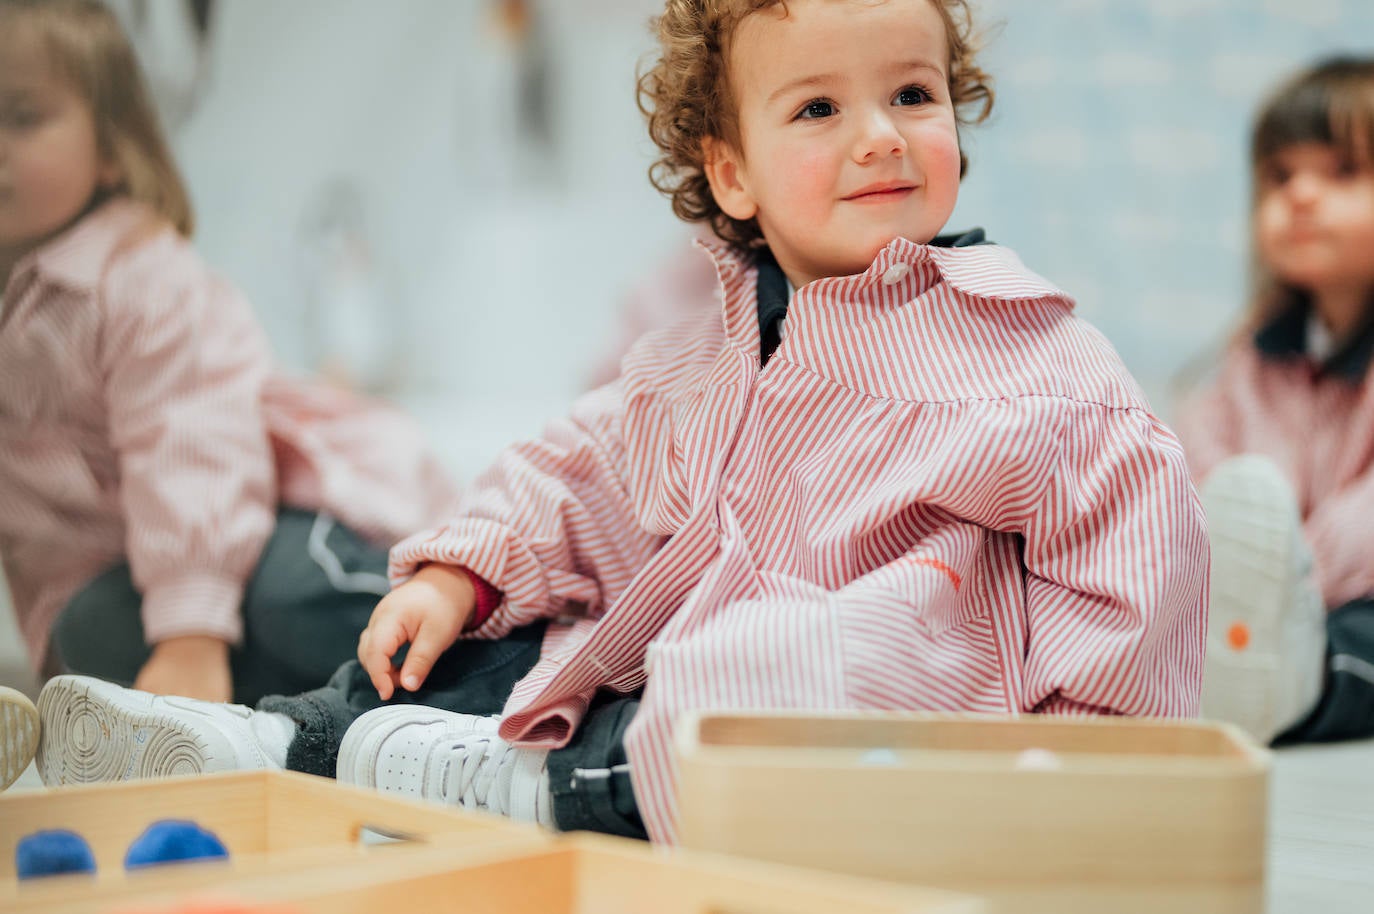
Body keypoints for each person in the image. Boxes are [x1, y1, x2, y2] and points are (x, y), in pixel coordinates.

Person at [32, 0, 1207, 844]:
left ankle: (529, 787)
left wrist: (1080, 766)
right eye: (818, 107)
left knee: (751, 676)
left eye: (913, 93)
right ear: (733, 173)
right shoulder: (700, 349)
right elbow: (576, 471)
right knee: (499, 653)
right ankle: (268, 740)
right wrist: (460, 576)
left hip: (871, 695)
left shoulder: (1033, 358)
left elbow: (1133, 556)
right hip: (654, 674)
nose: (882, 133)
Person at [0, 0, 458, 711]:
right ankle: (313, 723)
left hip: (244, 533)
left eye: (22, 117)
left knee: (291, 596)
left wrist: (190, 634)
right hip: (131, 582)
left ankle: (493, 655)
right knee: (90, 631)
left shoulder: (138, 277)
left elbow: (191, 445)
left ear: (115, 147)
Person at [1175, 56, 1374, 746]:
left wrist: (1289, 573)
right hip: (1258, 610)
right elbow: (1203, 458)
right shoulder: (1256, 354)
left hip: (1339, 598)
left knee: (1362, 635)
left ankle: (1299, 683)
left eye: (1343, 171)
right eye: (1281, 176)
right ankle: (1229, 674)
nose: (1302, 196)